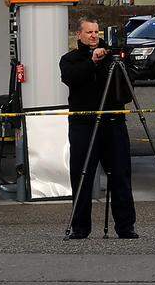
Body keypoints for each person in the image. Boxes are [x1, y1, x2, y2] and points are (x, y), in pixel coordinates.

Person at [59, 17, 138, 239]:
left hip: (113, 122)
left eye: (96, 32)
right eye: (89, 32)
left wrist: (119, 61)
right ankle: (80, 227)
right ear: (79, 35)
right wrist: (91, 62)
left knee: (120, 174)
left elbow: (130, 82)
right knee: (82, 175)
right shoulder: (70, 59)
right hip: (83, 124)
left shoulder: (111, 57)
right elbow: (71, 78)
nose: (94, 36)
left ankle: (125, 226)